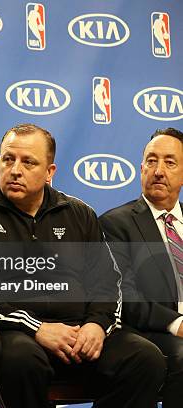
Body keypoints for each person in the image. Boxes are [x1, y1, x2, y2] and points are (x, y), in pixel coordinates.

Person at [0, 123, 166, 408]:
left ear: (50, 172)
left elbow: (108, 283)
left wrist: (97, 325)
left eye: (28, 162)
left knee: (145, 359)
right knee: (21, 360)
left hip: (79, 332)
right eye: (8, 159)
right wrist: (37, 328)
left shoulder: (79, 213)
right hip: (16, 334)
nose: (15, 170)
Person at [100, 127, 183, 407]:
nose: (158, 170)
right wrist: (177, 323)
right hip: (150, 332)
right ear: (141, 169)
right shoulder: (116, 224)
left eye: (170, 162)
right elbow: (124, 295)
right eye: (151, 161)